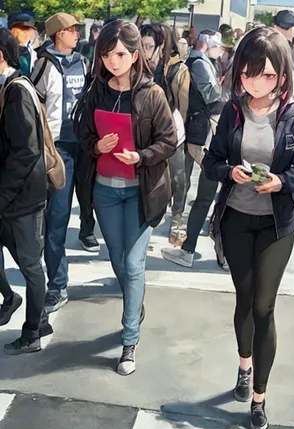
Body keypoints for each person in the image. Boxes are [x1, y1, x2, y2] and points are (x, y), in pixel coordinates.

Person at [203, 26, 294, 429]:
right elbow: (211, 160)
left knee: (265, 306)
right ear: (239, 73)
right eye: (249, 73)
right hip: (236, 218)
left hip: (276, 223)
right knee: (244, 298)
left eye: (267, 75)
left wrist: (280, 182)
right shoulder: (232, 111)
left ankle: (260, 396)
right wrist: (228, 170)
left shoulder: (292, 116)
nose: (258, 82)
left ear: (282, 76)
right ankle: (244, 364)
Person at [76, 20, 177, 375]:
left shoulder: (153, 94)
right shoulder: (96, 92)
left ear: (135, 55)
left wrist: (142, 156)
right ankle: (136, 304)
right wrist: (95, 145)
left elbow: (168, 140)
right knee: (118, 260)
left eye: (119, 54)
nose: (112, 61)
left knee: (134, 265)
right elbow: (83, 133)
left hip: (140, 191)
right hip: (104, 189)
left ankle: (129, 340)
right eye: (106, 54)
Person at [30, 13, 99, 314]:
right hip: (59, 151)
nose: (77, 33)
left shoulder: (82, 62)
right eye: (72, 30)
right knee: (57, 219)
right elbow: (32, 103)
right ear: (59, 34)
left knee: (92, 205)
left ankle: (88, 232)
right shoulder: (44, 64)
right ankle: (57, 285)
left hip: (86, 146)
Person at [0, 28, 52, 355]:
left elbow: (27, 151)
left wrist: (3, 196)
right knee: (27, 264)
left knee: (31, 266)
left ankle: (33, 329)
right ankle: (11, 299)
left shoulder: (16, 92)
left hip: (23, 199)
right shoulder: (9, 86)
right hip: (13, 196)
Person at [161, 30, 225, 268]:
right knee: (193, 182)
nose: (221, 49)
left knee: (191, 182)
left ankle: (184, 234)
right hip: (201, 128)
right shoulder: (199, 63)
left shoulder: (199, 62)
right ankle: (182, 231)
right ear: (206, 43)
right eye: (217, 44)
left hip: (199, 126)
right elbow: (212, 94)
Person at [140, 23, 190, 246]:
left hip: (172, 132)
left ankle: (177, 219)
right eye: (141, 45)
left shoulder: (178, 69)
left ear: (162, 46)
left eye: (149, 46)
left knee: (178, 179)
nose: (144, 50)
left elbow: (184, 106)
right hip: (146, 134)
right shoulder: (136, 67)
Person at [272, 10, 294, 101]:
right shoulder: (267, 46)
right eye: (288, 27)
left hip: (286, 101)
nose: (292, 30)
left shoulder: (293, 48)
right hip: (271, 100)